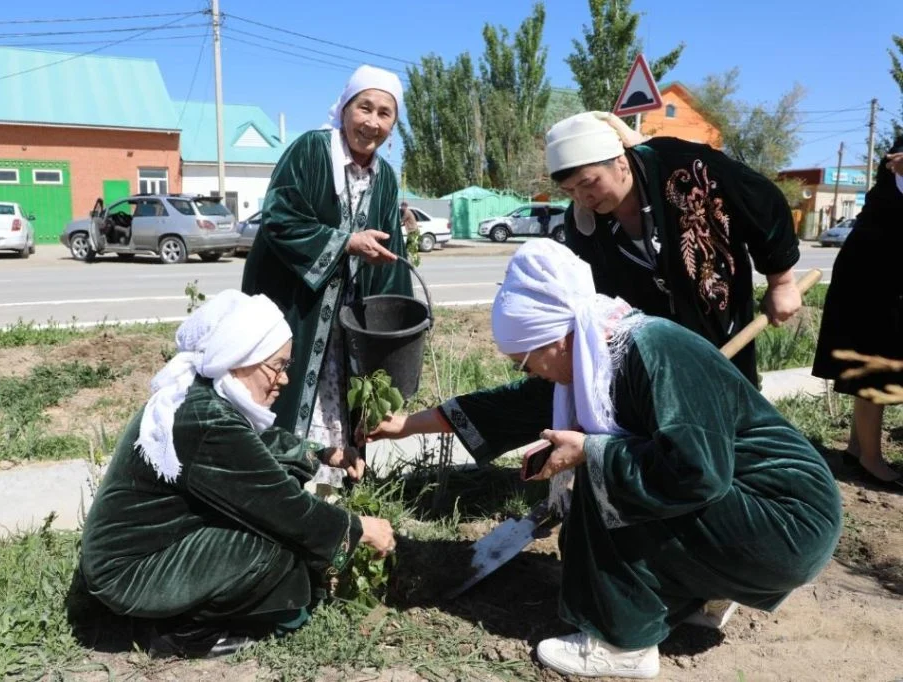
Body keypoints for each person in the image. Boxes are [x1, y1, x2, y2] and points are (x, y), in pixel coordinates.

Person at [364, 240, 841, 679]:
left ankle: (622, 644)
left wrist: (591, 452)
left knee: (600, 473)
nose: (528, 375)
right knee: (609, 467)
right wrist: (402, 426)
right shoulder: (596, 362)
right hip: (757, 517)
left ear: (557, 339)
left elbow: (698, 472)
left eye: (526, 363)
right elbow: (505, 408)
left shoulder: (655, 352)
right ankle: (702, 590)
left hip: (787, 521)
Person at [66, 290, 396, 658]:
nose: (284, 380)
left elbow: (255, 447)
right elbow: (282, 507)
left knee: (279, 506)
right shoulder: (207, 421)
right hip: (130, 575)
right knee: (277, 538)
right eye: (278, 366)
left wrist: (322, 453)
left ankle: (183, 612)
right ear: (241, 359)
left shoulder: (200, 396)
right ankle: (180, 632)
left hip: (133, 556)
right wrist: (358, 529)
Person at [549, 111, 803, 386]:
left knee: (733, 401)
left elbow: (763, 203)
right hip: (653, 349)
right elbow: (595, 295)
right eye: (569, 191)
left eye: (588, 183)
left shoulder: (687, 165)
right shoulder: (582, 225)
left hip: (720, 322)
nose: (583, 199)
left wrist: (782, 283)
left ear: (620, 161)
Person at [242, 65, 413, 454]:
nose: (372, 122)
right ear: (344, 109)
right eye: (364, 108)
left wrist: (394, 322)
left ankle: (334, 476)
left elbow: (392, 253)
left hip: (345, 319)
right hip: (294, 307)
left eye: (384, 114)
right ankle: (281, 478)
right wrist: (346, 242)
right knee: (285, 387)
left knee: (341, 390)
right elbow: (279, 219)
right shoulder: (310, 151)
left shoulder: (384, 177)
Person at [812, 136, 903, 488]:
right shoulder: (895, 174)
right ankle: (871, 458)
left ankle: (856, 447)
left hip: (877, 274)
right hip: (874, 278)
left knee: (876, 360)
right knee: (876, 363)